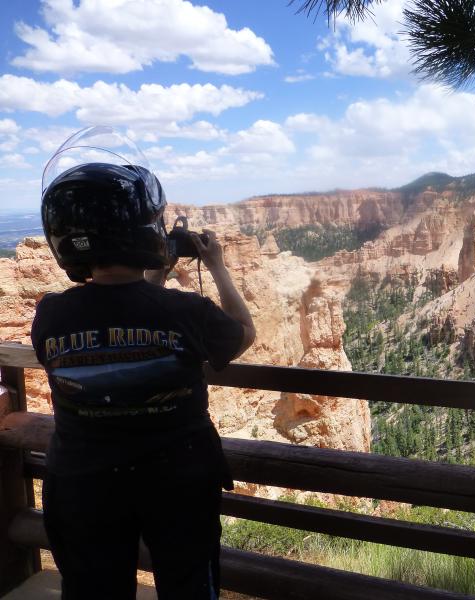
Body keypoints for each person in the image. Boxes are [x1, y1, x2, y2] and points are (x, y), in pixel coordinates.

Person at [31, 129, 256, 599]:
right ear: (144, 230)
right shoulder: (185, 312)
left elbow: (120, 313)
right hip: (178, 482)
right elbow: (241, 333)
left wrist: (159, 272)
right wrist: (215, 265)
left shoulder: (51, 314)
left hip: (81, 484)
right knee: (188, 586)